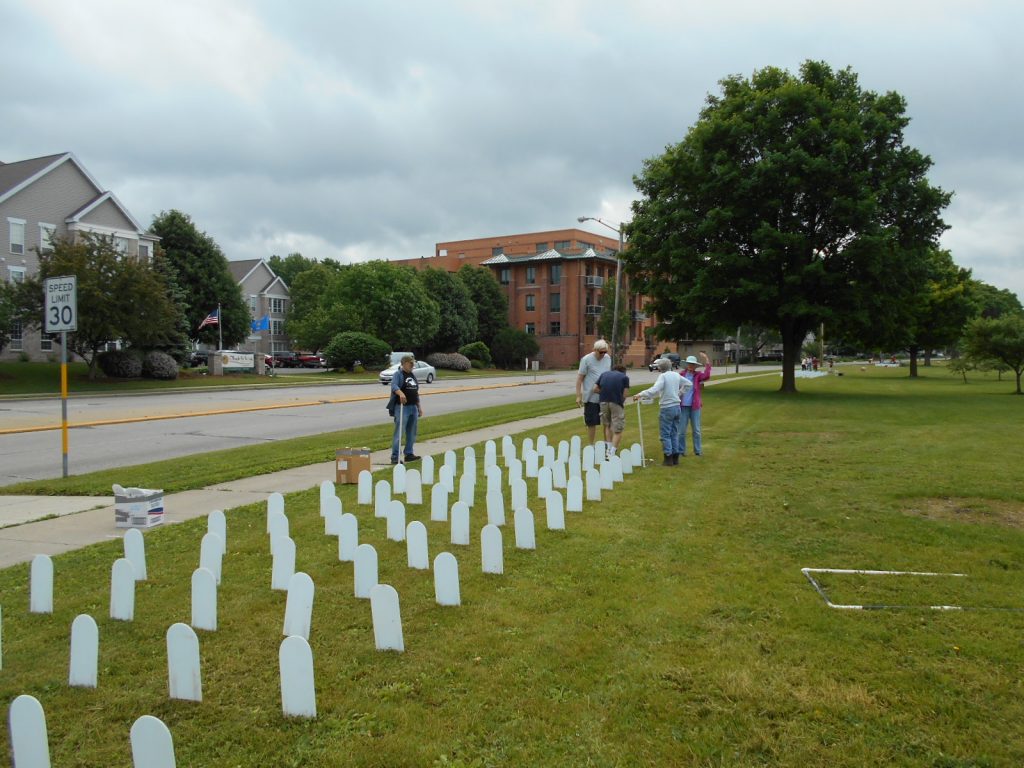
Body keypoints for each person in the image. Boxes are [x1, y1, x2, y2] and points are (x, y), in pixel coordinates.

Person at [633, 358, 688, 466]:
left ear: (661, 368)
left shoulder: (663, 376)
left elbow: (655, 389)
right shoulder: (676, 375)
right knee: (674, 432)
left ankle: (668, 458)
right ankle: (675, 457)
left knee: (665, 434)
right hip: (677, 407)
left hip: (667, 408)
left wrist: (640, 394)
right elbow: (688, 384)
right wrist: (679, 393)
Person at [575, 339, 611, 444]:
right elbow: (579, 379)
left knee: (607, 423)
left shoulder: (607, 358)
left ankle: (607, 445)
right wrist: (578, 396)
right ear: (595, 350)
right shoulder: (586, 360)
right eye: (601, 352)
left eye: (605, 352)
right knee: (591, 423)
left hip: (605, 396)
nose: (603, 354)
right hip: (591, 397)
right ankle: (591, 445)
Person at [389, 355, 422, 464]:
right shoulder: (398, 374)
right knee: (399, 433)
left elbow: (416, 392)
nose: (412, 365)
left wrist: (419, 407)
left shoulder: (412, 375)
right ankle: (395, 457)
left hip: (413, 407)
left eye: (413, 363)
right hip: (402, 408)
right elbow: (394, 386)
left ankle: (409, 453)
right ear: (403, 364)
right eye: (410, 363)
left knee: (412, 433)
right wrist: (400, 393)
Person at [593, 364, 630, 458]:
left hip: (603, 402)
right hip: (616, 403)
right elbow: (625, 394)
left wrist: (605, 393)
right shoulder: (624, 377)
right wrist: (621, 402)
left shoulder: (604, 374)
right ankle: (612, 453)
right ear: (623, 371)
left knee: (607, 425)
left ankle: (608, 450)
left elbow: (595, 389)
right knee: (618, 428)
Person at [679, 352, 712, 457]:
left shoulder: (698, 375)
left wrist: (706, 360)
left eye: (692, 364)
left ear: (695, 366)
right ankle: (681, 451)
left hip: (695, 407)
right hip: (683, 407)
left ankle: (697, 451)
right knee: (681, 431)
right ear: (686, 364)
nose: (691, 366)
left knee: (696, 430)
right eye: (689, 364)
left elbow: (707, 375)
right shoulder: (681, 375)